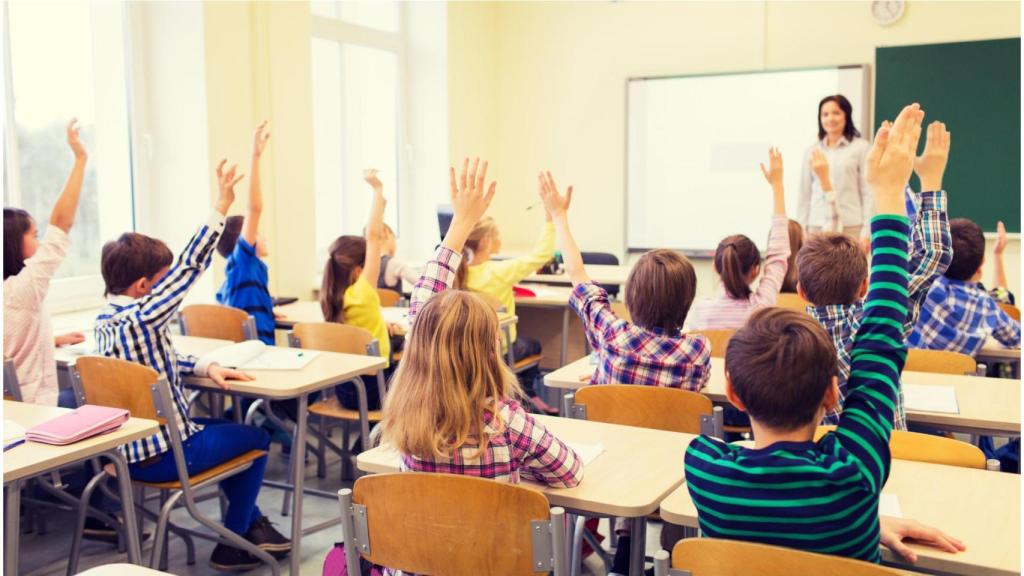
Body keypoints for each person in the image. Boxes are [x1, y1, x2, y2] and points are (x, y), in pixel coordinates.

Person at [684, 103, 965, 564]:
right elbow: (879, 339)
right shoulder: (856, 475)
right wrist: (891, 195)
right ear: (834, 393)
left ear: (732, 391)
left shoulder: (704, 468)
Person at [95, 159, 290, 571]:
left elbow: (151, 363)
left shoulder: (106, 323)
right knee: (256, 439)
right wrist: (221, 203)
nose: (171, 288)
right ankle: (234, 540)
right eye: (162, 282)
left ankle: (248, 525)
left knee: (228, 432)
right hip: (167, 453)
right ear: (145, 287)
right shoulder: (143, 316)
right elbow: (189, 267)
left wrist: (204, 366)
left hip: (124, 456)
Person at [4, 119, 88, 406]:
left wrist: (52, 339)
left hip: (12, 413)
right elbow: (61, 224)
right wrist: (80, 159)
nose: (40, 242)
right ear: (13, 243)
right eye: (33, 235)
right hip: (36, 409)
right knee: (95, 396)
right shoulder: (22, 289)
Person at [687, 147, 790, 331]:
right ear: (755, 270)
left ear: (715, 267)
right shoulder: (761, 309)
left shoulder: (699, 311)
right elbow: (778, 254)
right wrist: (777, 186)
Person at [798, 94, 872, 239]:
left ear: (846, 115)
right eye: (825, 114)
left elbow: (867, 192)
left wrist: (867, 230)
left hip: (851, 225)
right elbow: (804, 193)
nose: (830, 118)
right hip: (817, 225)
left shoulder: (861, 148)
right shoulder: (812, 151)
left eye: (836, 113)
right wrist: (802, 228)